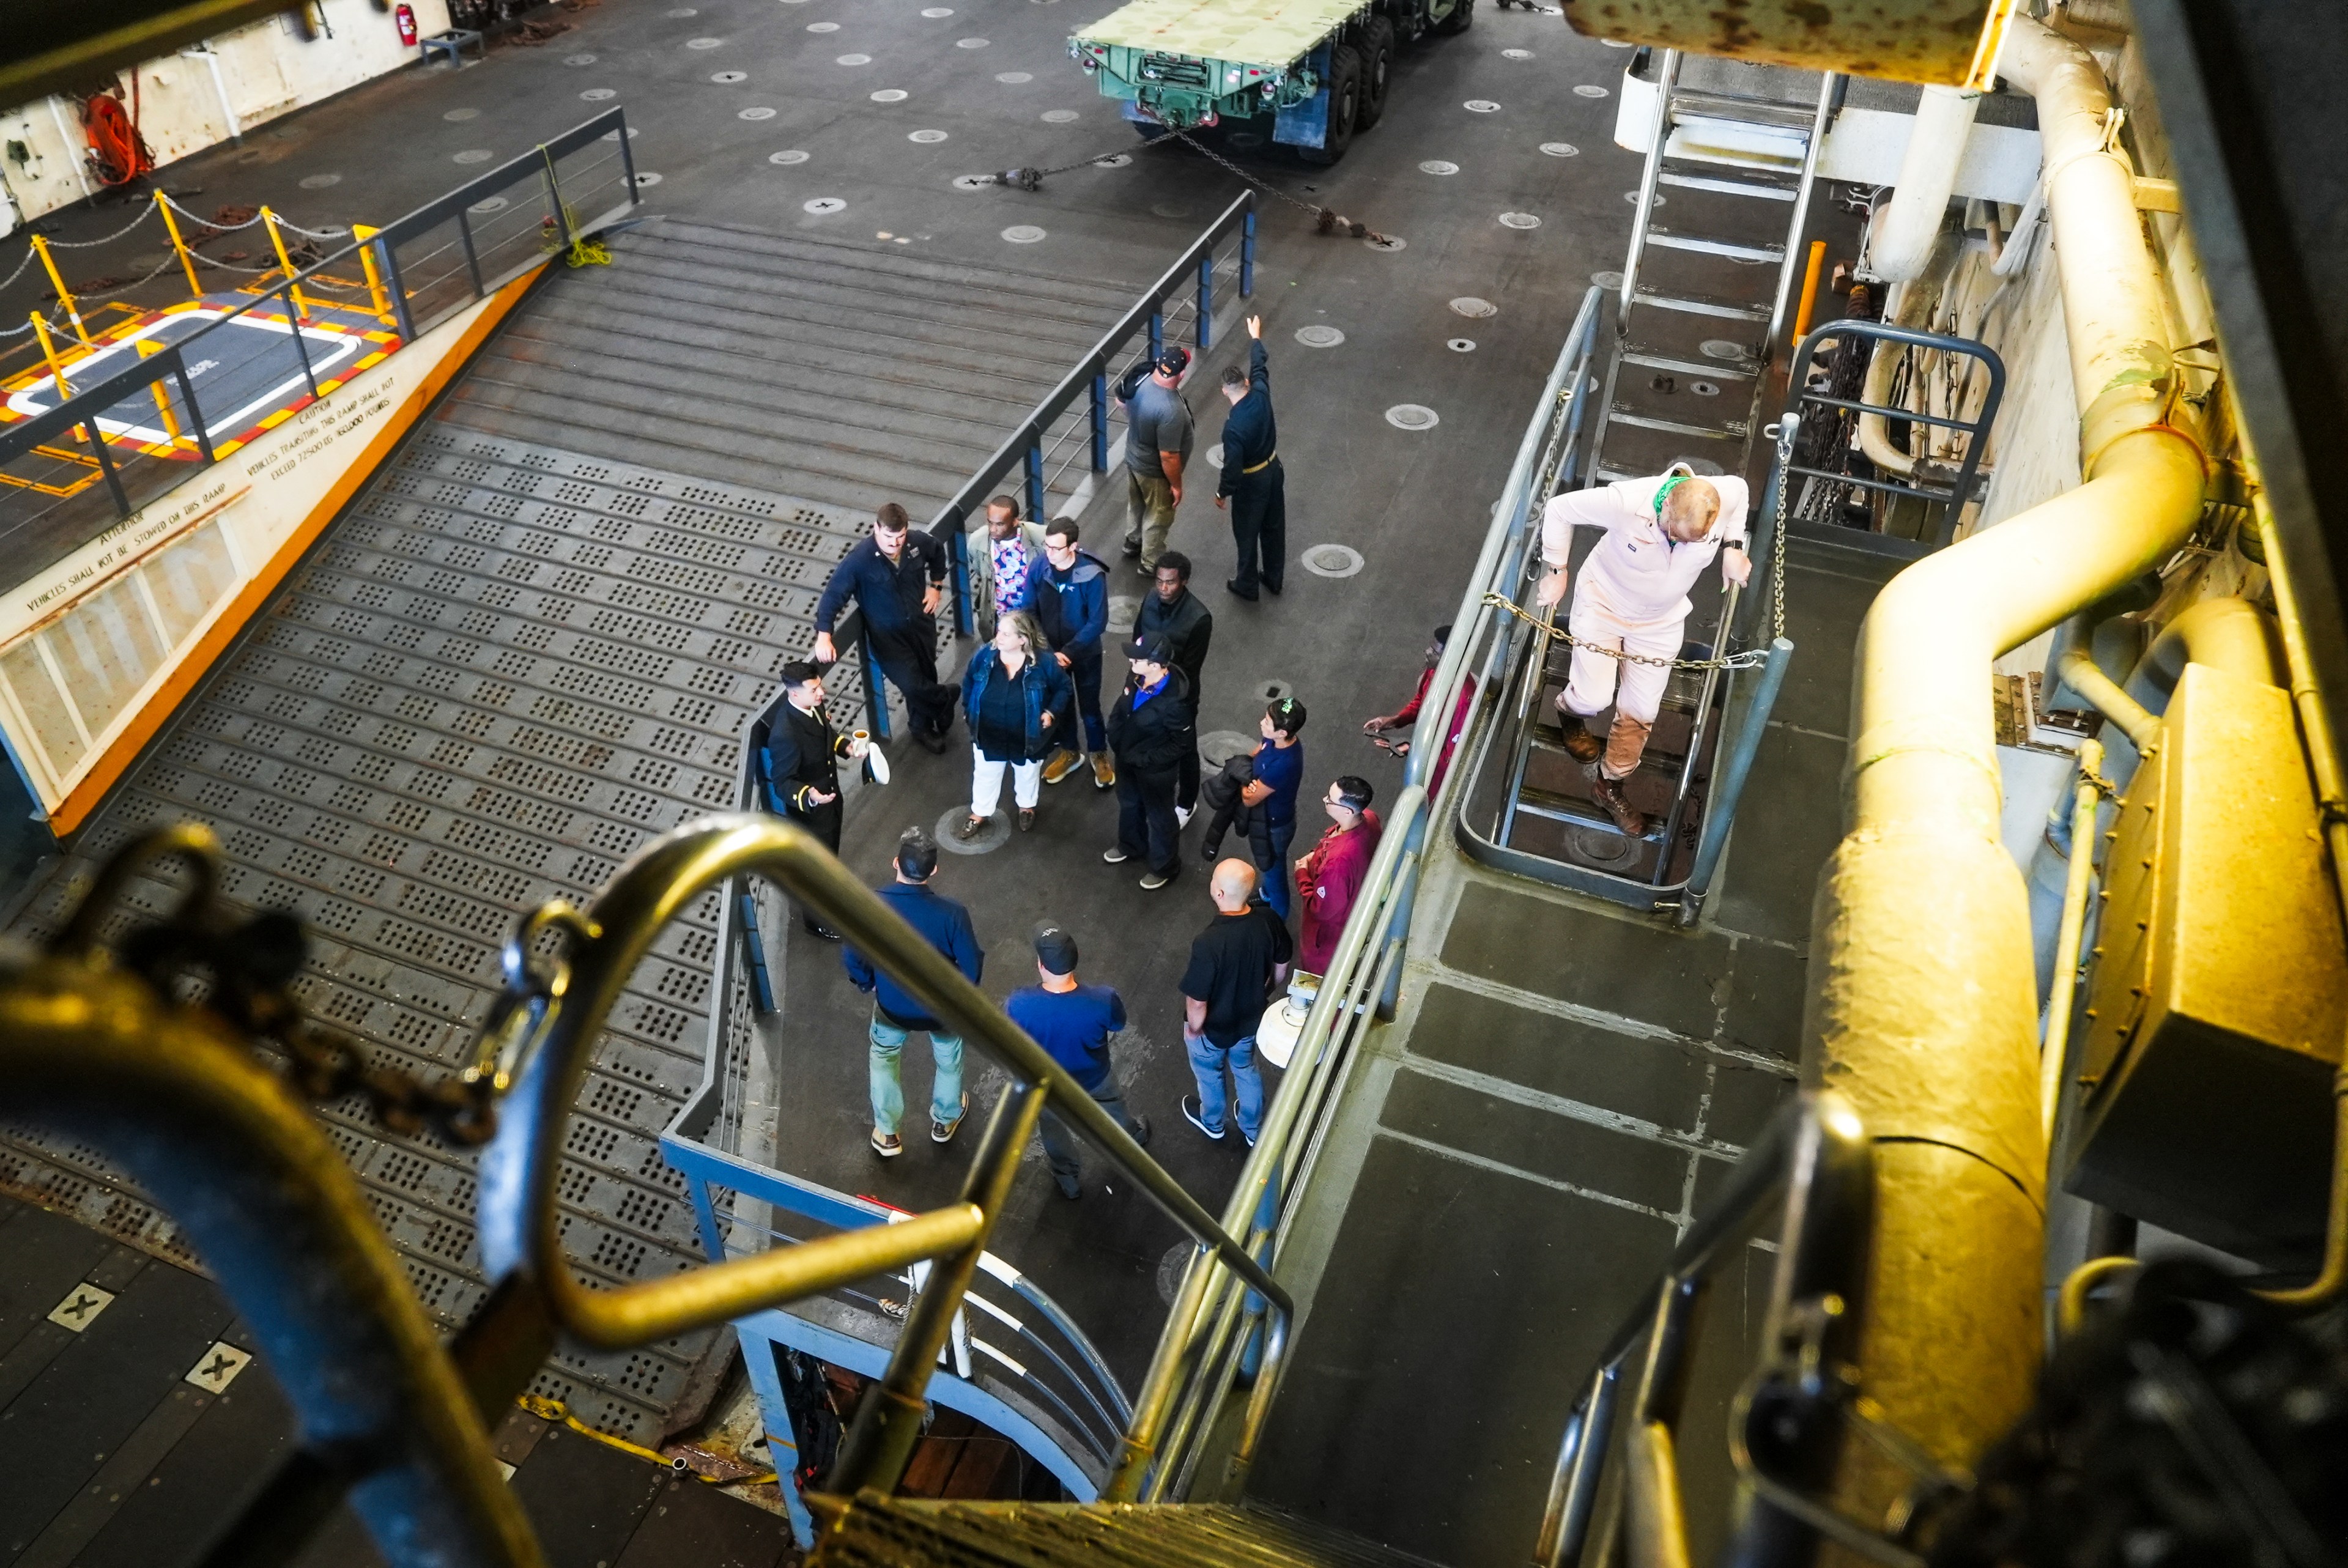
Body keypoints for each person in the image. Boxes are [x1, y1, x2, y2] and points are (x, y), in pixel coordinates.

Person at [1536, 467, 1751, 837]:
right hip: (1604, 604)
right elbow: (1558, 509)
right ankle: (1570, 713)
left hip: (1660, 620)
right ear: (1666, 504)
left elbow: (1742, 494)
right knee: (1594, 696)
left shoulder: (1724, 492)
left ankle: (1609, 786)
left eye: (1694, 543)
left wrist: (1732, 548)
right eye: (1676, 537)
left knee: (1642, 712)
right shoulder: (1626, 501)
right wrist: (1557, 571)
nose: (1683, 547)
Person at [843, 827, 982, 1158]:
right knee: (949, 1062)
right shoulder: (952, 913)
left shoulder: (871, 906)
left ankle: (888, 1134)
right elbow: (972, 968)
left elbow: (853, 955)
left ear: (896, 863)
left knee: (883, 1059)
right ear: (933, 871)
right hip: (941, 1010)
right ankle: (945, 1120)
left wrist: (868, 982)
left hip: (892, 1007)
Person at [1004, 922, 1151, 1200]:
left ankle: (1068, 1178)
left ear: (1041, 966)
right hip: (1095, 1076)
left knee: (1053, 1128)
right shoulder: (1103, 999)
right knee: (1114, 1108)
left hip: (1050, 1086)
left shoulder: (1020, 1003)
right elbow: (1118, 1025)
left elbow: (1010, 1038)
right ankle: (1133, 1139)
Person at [813, 503, 957, 754]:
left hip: (921, 624)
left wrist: (936, 586)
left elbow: (937, 553)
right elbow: (834, 595)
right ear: (876, 529)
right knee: (911, 684)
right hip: (888, 638)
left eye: (900, 537)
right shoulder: (859, 561)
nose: (895, 543)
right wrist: (824, 635)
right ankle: (944, 700)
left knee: (926, 674)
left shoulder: (916, 542)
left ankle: (921, 726)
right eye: (889, 537)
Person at [1179, 859, 1292, 1145]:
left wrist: (1194, 1030)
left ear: (1218, 894)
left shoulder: (1209, 942)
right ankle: (1253, 1129)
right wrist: (1264, 993)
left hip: (1214, 1030)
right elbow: (1282, 967)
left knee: (1209, 1074)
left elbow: (1197, 1001)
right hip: (1251, 1019)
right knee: (1245, 1068)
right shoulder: (1269, 920)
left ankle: (1213, 1122)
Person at [760, 659, 870, 941]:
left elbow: (825, 736)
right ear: (794, 694)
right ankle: (817, 922)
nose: (822, 693)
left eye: (819, 685)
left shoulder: (813, 706)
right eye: (814, 689)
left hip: (830, 801)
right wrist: (808, 795)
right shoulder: (785, 734)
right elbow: (783, 782)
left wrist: (845, 747)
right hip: (812, 815)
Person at [956, 610, 1070, 838]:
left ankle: (1026, 806)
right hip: (989, 734)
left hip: (1027, 736)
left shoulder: (1044, 662)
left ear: (1023, 639)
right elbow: (969, 680)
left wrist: (1050, 712)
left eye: (1006, 634)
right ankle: (980, 812)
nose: (998, 637)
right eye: (999, 631)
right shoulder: (985, 656)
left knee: (1028, 773)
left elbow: (1064, 688)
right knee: (986, 774)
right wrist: (969, 709)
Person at [1103, 632, 1194, 890]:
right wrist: (1115, 737)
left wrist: (1147, 760)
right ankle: (1131, 845)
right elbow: (1122, 710)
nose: (1132, 661)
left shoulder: (1176, 704)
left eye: (1138, 659)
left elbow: (1182, 745)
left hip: (1155, 772)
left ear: (1155, 666)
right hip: (1127, 759)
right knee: (1129, 804)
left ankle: (1165, 866)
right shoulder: (1135, 677)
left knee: (1160, 817)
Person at [1031, 519, 1116, 792]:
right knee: (1061, 705)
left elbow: (1097, 621)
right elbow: (1028, 609)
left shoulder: (1092, 575)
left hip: (1084, 654)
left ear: (1074, 546)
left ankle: (1098, 753)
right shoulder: (1040, 566)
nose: (1050, 554)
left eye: (1056, 548)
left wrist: (1067, 652)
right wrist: (1046, 649)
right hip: (1050, 653)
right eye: (1047, 546)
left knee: (1090, 707)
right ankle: (1070, 751)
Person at [1134, 549, 1213, 822]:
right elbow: (1138, 640)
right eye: (1159, 581)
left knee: (1186, 750)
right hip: (1145, 687)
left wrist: (1157, 681)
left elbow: (1191, 668)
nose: (1163, 588)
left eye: (1171, 582)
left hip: (1180, 696)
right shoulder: (1150, 598)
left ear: (1185, 581)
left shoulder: (1199, 618)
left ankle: (1186, 804)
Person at [1213, 314, 1284, 599]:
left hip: (1252, 481)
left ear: (1224, 391)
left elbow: (1232, 468)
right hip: (1274, 469)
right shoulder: (1261, 394)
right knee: (1274, 526)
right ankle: (1274, 577)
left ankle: (1247, 584)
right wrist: (1255, 337)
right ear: (1245, 382)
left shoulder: (1234, 428)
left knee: (1246, 533)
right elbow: (1260, 366)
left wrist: (1222, 492)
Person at [1362, 624, 1477, 795]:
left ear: (1453, 659)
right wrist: (1395, 720)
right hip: (1427, 751)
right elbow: (1421, 702)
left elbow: (1452, 760)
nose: (1427, 652)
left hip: (1438, 775)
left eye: (1435, 652)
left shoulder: (1463, 703)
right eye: (1431, 647)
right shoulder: (1434, 672)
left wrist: (1416, 752)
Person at [1295, 776, 1382, 975]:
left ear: (1347, 811)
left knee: (1317, 981)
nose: (1325, 799)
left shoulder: (1338, 864)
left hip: (1326, 944)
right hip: (1354, 912)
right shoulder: (1369, 818)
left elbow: (1322, 910)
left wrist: (1301, 873)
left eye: (1330, 799)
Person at [1120, 345, 1194, 575]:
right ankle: (1151, 562)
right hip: (1154, 471)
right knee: (1159, 514)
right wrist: (1176, 486)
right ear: (1181, 374)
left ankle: (1133, 541)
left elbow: (1121, 402)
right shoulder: (1170, 410)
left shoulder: (1142, 377)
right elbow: (1169, 456)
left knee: (1137, 502)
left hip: (1133, 457)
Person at [1242, 697, 1305, 920]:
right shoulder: (1275, 740)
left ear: (1282, 733)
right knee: (1269, 866)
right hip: (1268, 820)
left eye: (1267, 722)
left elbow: (1250, 799)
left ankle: (1278, 918)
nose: (1262, 723)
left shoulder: (1284, 764)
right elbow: (1259, 751)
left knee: (1274, 871)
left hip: (1275, 827)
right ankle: (1267, 895)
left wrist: (1241, 778)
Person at [982, 493, 1043, 624]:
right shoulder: (979, 542)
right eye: (990, 523)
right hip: (1002, 621)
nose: (993, 529)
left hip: (1035, 619)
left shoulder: (1037, 541)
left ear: (1015, 521)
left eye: (1000, 524)